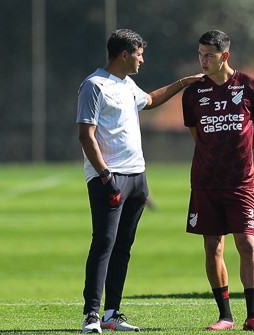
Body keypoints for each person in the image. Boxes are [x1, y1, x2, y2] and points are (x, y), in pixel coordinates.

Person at [76, 28, 202, 334]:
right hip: (110, 177)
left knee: (123, 247)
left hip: (137, 177)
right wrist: (105, 175)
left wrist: (184, 83)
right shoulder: (94, 86)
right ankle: (91, 316)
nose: (142, 59)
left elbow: (150, 99)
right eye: (139, 54)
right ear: (124, 54)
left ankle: (111, 313)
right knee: (103, 244)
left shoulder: (126, 84)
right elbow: (85, 135)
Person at [182, 30, 254, 332]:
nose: (203, 60)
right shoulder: (193, 93)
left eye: (209, 54)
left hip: (241, 183)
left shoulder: (251, 87)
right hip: (206, 182)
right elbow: (199, 136)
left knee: (247, 243)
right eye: (200, 54)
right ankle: (225, 316)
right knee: (213, 248)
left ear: (225, 56)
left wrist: (239, 153)